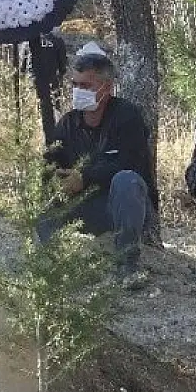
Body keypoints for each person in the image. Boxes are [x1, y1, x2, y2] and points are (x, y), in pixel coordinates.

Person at [38, 51, 155, 276]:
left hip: (123, 206)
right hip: (84, 207)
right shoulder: (68, 124)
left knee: (126, 180)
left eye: (86, 86)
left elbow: (130, 162)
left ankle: (127, 264)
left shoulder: (127, 116)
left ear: (107, 88)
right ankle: (49, 267)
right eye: (75, 84)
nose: (79, 91)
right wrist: (55, 178)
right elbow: (49, 162)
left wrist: (84, 177)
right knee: (41, 191)